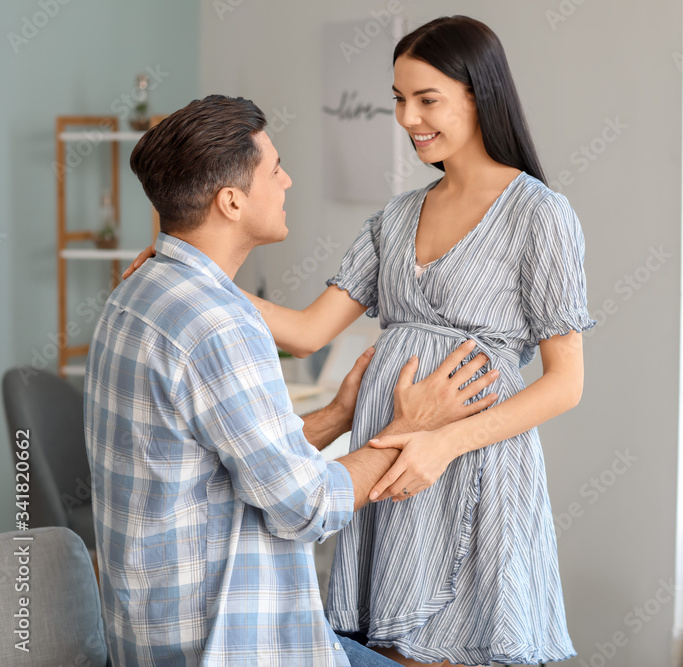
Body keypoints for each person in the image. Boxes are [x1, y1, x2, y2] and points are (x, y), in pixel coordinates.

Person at [124, 16, 592, 665]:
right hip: (389, 454)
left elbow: (566, 382)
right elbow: (308, 328)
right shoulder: (397, 216)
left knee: (460, 647)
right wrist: (190, 272)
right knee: (392, 648)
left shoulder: (540, 214)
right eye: (399, 99)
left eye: (427, 99)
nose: (408, 117)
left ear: (478, 95)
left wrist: (443, 440)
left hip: (472, 464)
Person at [88, 94, 499, 666]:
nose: (288, 180)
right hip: (230, 649)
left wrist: (337, 415)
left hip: (148, 639)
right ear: (231, 201)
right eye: (274, 169)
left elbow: (225, 468)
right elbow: (306, 507)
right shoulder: (221, 327)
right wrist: (413, 425)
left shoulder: (136, 293)